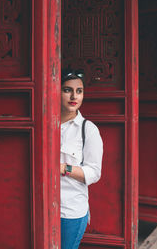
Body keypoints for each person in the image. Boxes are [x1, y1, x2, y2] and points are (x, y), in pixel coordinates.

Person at [60, 68, 103, 249]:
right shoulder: (44, 123)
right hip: (41, 206)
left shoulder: (88, 130)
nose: (74, 96)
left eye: (79, 91)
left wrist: (64, 168)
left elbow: (94, 173)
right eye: (67, 90)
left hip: (70, 211)